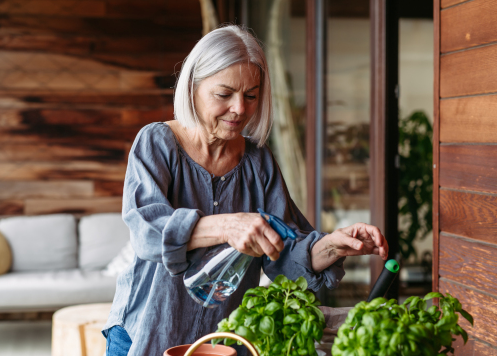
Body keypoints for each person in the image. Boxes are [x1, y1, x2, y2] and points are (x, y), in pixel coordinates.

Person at [102, 25, 388, 356]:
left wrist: (333, 246)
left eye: (251, 95)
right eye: (224, 95)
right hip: (144, 335)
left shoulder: (258, 163)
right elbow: (147, 233)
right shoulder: (157, 143)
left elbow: (286, 254)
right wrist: (229, 225)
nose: (239, 108)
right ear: (194, 87)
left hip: (221, 347)